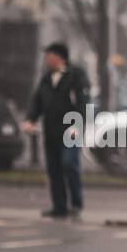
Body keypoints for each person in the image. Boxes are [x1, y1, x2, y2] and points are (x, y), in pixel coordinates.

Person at [22, 42, 89, 218]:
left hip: (71, 131)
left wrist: (78, 125)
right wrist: (30, 119)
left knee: (69, 164)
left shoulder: (76, 75)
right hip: (51, 130)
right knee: (54, 169)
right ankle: (59, 207)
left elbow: (83, 102)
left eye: (49, 56)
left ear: (59, 57)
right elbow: (37, 101)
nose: (46, 60)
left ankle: (76, 204)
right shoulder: (46, 78)